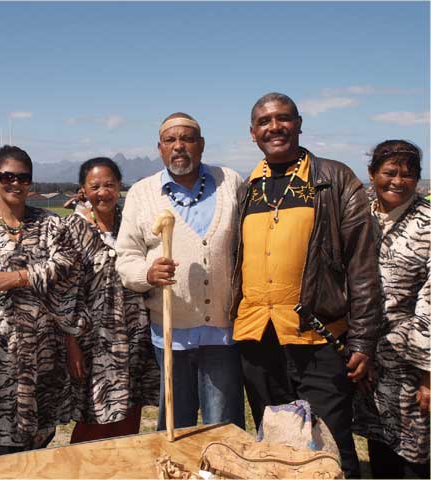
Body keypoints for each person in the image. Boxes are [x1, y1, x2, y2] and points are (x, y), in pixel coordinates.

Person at [231, 92, 380, 478]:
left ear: (299, 123)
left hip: (317, 336)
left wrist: (362, 340)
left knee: (329, 441)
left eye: (283, 118)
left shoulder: (332, 179)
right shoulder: (249, 187)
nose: (274, 127)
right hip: (258, 336)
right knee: (276, 440)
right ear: (253, 133)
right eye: (264, 122)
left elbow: (362, 266)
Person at [116, 113, 245, 431]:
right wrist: (147, 274)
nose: (179, 146)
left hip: (223, 329)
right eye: (171, 140)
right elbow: (126, 259)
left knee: (222, 423)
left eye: (187, 138)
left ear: (200, 145)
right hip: (171, 331)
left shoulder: (230, 181)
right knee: (176, 422)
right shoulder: (142, 194)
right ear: (159, 148)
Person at [0, 145, 72, 459]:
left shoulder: (51, 225)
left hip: (42, 355)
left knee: (35, 441)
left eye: (23, 178)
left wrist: (19, 277)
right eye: (8, 176)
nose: (16, 183)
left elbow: (66, 265)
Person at [59, 157, 159, 443]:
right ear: (83, 190)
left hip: (135, 336)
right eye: (95, 186)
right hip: (95, 342)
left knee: (131, 411)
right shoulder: (73, 230)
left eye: (109, 185)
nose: (103, 192)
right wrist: (72, 343)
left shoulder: (131, 225)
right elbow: (66, 294)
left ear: (119, 187)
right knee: (96, 417)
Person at [353, 140, 430, 478]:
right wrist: (359, 348)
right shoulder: (357, 214)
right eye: (389, 172)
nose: (398, 181)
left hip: (412, 361)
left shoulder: (427, 223)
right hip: (365, 357)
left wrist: (428, 373)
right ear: (372, 175)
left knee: (414, 450)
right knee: (378, 440)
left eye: (409, 174)